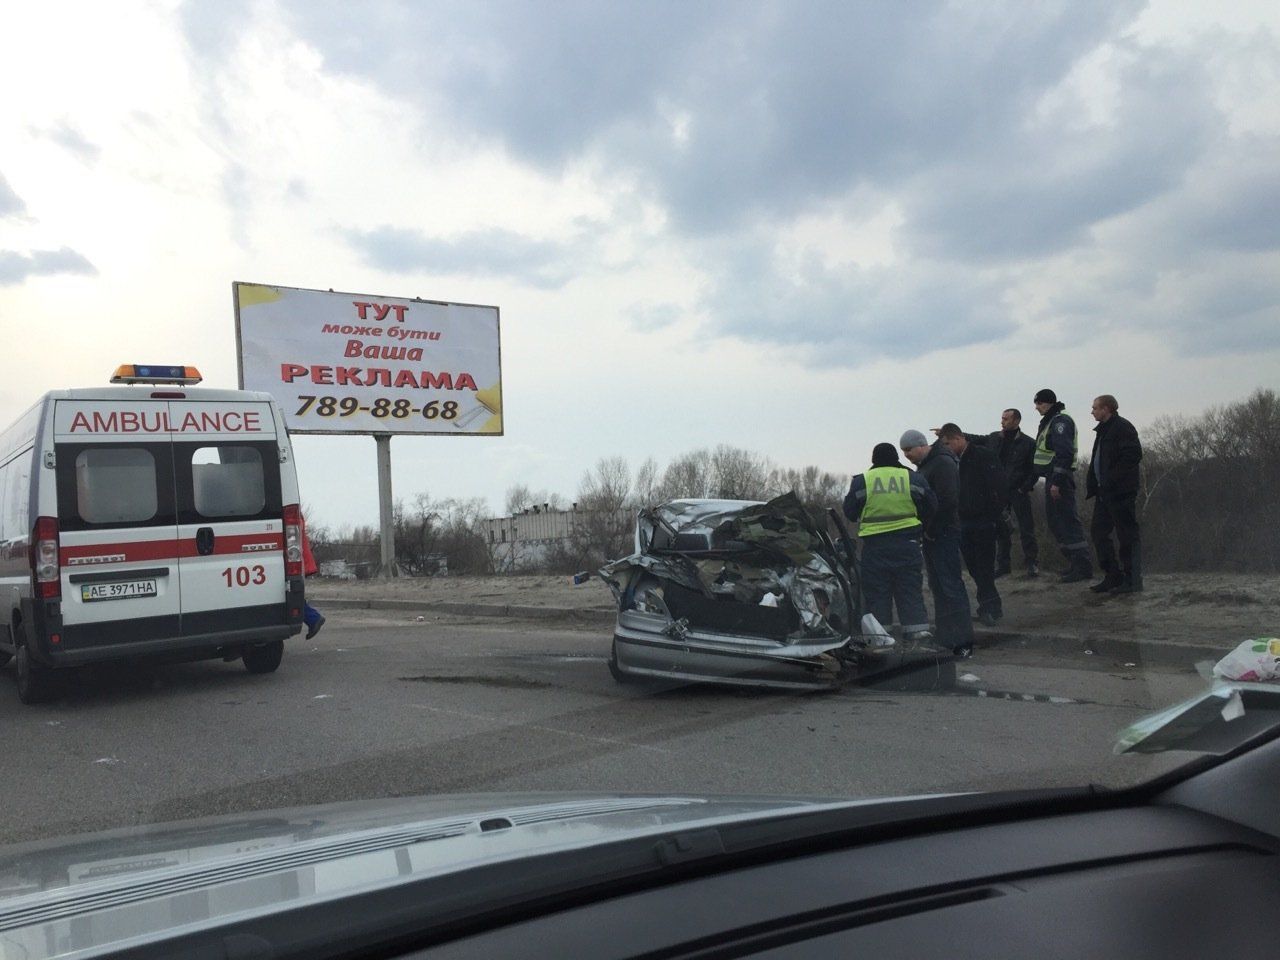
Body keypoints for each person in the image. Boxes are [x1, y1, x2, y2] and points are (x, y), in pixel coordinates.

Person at [843, 443, 937, 641]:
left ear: (873, 459)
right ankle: (918, 636)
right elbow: (931, 506)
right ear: (896, 458)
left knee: (877, 595)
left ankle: (880, 639)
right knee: (910, 592)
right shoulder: (912, 478)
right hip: (907, 545)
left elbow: (849, 511)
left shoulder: (863, 481)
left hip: (875, 548)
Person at [901, 429, 975, 657]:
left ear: (921, 445)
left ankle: (963, 642)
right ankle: (945, 638)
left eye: (909, 450)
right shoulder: (927, 465)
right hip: (933, 535)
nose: (906, 455)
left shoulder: (941, 463)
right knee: (939, 588)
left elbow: (947, 500)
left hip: (944, 533)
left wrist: (932, 529)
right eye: (903, 451)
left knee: (951, 587)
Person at [938, 424, 1006, 625]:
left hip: (984, 520)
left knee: (984, 567)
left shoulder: (983, 456)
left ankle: (990, 608)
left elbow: (999, 485)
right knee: (974, 568)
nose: (946, 448)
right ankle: (990, 606)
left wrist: (994, 514)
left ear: (958, 439)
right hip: (962, 521)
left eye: (947, 444)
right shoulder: (952, 461)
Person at [963, 409, 1039, 578]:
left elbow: (1034, 470)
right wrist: (954, 434)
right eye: (1002, 418)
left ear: (1016, 421)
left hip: (1018, 491)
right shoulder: (994, 438)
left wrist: (1024, 488)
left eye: (1006, 419)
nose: (1002, 422)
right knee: (1001, 529)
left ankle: (1032, 563)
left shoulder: (1028, 443)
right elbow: (976, 439)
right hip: (998, 492)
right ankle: (1003, 565)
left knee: (1026, 528)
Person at [1031, 388, 1093, 583]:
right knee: (1057, 521)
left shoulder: (1060, 421)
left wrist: (1057, 482)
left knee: (1067, 521)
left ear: (1048, 403)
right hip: (1053, 477)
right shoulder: (1052, 420)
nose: (1036, 407)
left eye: (1039, 403)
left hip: (1060, 478)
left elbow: (1064, 453)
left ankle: (1082, 567)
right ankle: (1074, 563)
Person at [1086, 394, 1144, 594]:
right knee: (1098, 532)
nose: (1092, 412)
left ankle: (1133, 580)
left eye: (1095, 408)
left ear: (1106, 409)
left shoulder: (1122, 427)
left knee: (1127, 535)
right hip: (1104, 493)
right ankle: (1112, 575)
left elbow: (1133, 455)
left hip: (1121, 492)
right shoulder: (1103, 430)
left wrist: (1111, 479)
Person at [300, 511, 326, 639]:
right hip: (301, 560)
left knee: (292, 596)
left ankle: (313, 618)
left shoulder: (295, 517)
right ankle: (313, 618)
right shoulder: (297, 514)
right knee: (293, 595)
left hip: (299, 561)